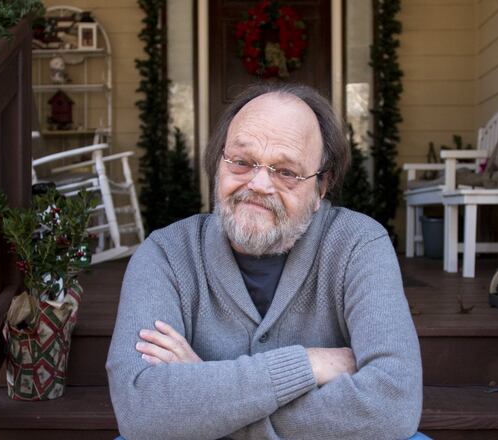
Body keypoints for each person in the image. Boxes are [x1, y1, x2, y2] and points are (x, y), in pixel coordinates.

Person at [106, 83, 423, 440]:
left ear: (321, 187)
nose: (258, 184)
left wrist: (208, 405)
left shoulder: (359, 244)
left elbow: (393, 405)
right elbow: (140, 411)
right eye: (241, 162)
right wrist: (308, 364)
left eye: (286, 172)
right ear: (218, 165)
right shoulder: (165, 254)